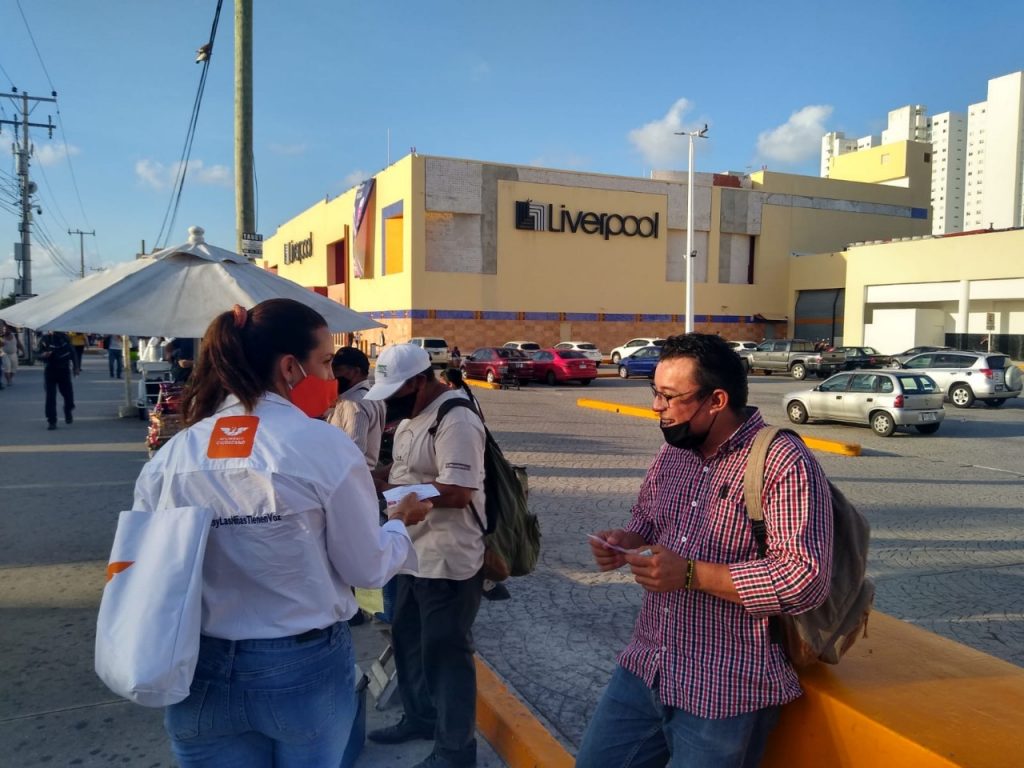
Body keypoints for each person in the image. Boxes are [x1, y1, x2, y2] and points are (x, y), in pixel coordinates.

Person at [133, 299, 431, 767]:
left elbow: (146, 563)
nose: (333, 378)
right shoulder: (323, 446)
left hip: (196, 665)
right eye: (326, 363)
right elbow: (367, 569)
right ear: (291, 368)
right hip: (302, 669)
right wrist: (400, 522)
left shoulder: (175, 454)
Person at [577, 333, 834, 768]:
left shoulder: (782, 461)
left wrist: (692, 574)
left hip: (723, 688)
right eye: (655, 392)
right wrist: (626, 542)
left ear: (716, 400)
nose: (656, 406)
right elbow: (648, 520)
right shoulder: (674, 452)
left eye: (669, 396)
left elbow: (805, 579)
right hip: (647, 665)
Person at [364, 344, 486, 768]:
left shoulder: (456, 419)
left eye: (395, 391)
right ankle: (420, 719)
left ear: (419, 381)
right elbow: (405, 471)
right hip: (410, 551)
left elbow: (459, 491)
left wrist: (392, 492)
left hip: (448, 559)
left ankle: (456, 751)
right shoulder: (410, 419)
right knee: (408, 641)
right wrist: (369, 477)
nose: (390, 401)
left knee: (445, 654)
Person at [438, 368, 510, 602]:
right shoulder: (469, 396)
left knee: (478, 524)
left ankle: (483, 577)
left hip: (474, 460)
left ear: (449, 383)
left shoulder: (454, 405)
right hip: (481, 457)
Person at [329, 346, 386, 470]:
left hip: (350, 474)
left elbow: (353, 453)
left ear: (356, 372)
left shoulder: (354, 403)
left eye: (337, 370)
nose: (332, 374)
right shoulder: (373, 396)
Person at [36, 330, 76, 430]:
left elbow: (72, 352)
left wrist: (76, 367)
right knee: (50, 397)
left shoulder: (65, 338)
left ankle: (68, 410)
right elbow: (37, 354)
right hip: (50, 370)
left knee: (68, 396)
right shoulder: (45, 339)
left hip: (64, 371)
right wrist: (43, 355)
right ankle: (52, 421)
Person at [2, 322, 25, 387]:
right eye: (4, 329)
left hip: (13, 354)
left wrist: (23, 351)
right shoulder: (1, 337)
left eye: (6, 329)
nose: (5, 331)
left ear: (10, 329)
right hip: (5, 354)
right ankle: (8, 381)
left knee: (14, 369)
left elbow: (19, 344)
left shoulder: (14, 335)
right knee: (7, 367)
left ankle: (10, 378)